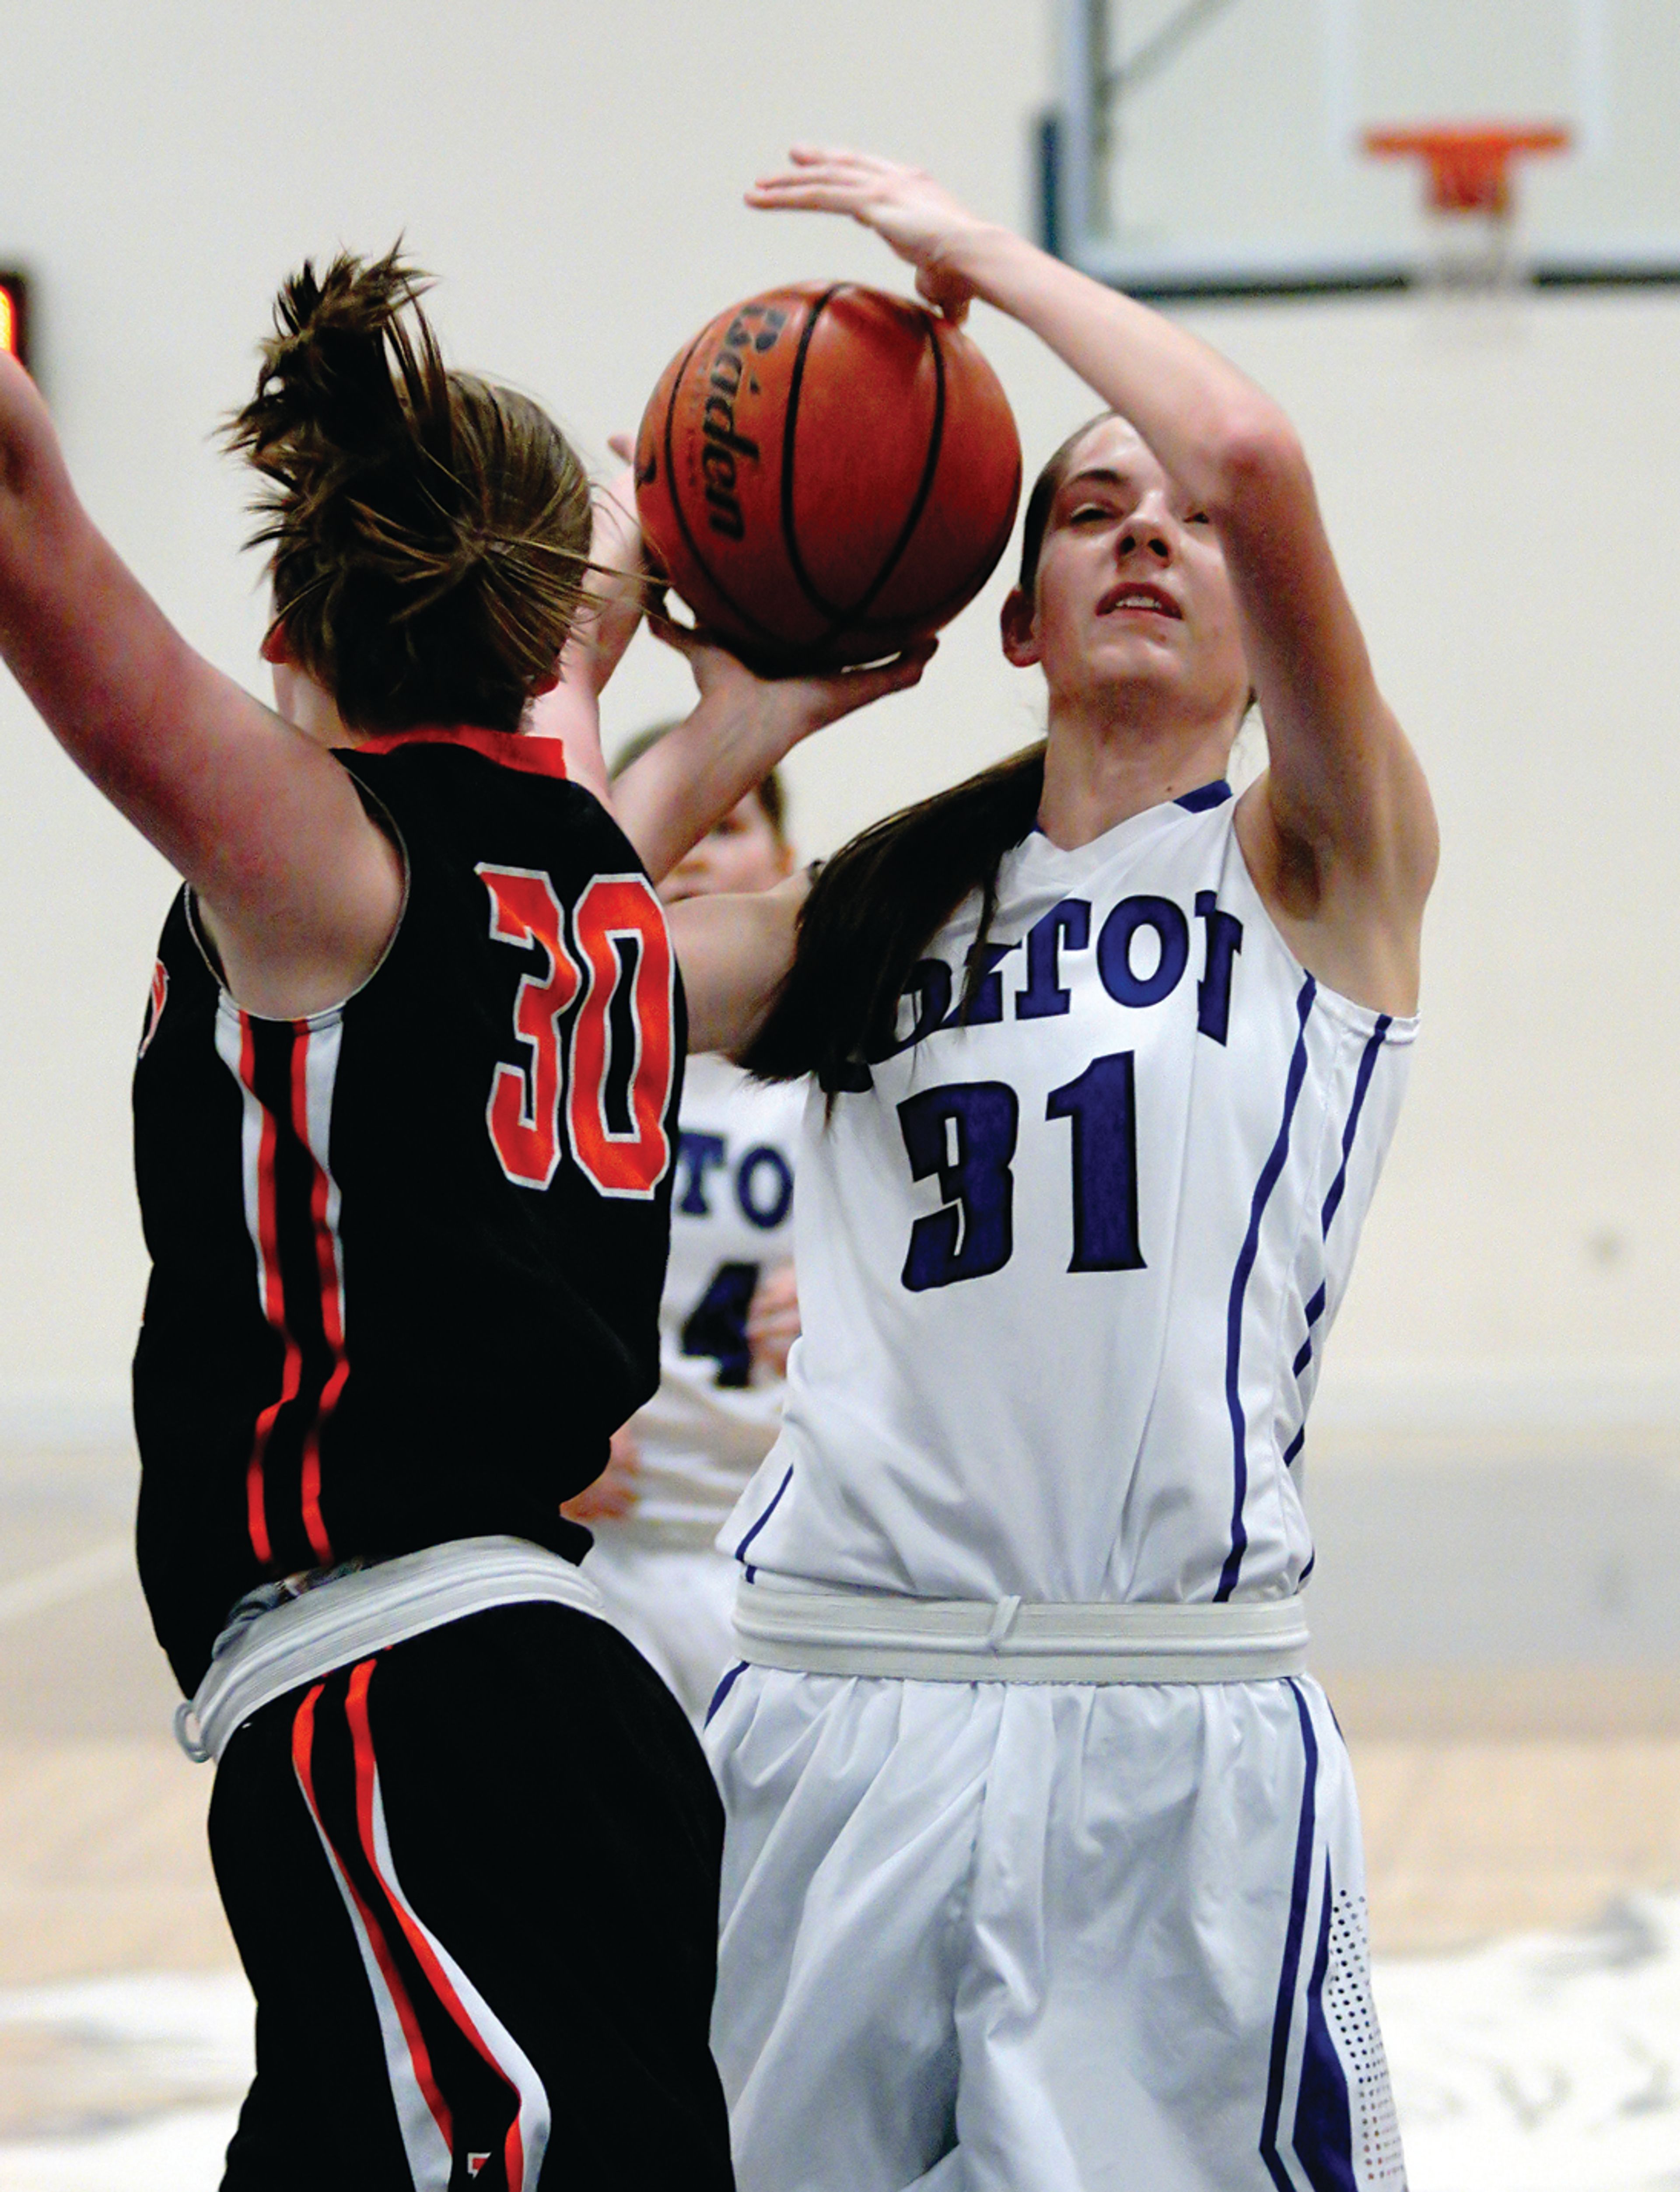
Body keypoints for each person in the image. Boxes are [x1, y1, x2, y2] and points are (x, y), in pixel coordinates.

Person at [0, 245, 926, 2189]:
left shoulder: (315, 865)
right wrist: (747, 703)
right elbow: (586, 778)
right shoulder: (574, 869)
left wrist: (707, 693)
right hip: (527, 1699)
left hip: (412, 1708)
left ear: (282, 621)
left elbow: (34, 541)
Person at [655, 150, 1437, 2192]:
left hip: (1164, 1736)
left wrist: (979, 265)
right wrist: (737, 720)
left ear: (1266, 633)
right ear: (1008, 623)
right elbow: (528, 971)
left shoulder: (1316, 873)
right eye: (1091, 515)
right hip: (835, 1695)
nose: (1148, 536)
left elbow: (1248, 452)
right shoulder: (868, 911)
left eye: (1172, 522)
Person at [564, 738, 804, 1722]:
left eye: (732, 825)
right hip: (599, 1549)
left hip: (786, 1549)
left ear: (788, 862)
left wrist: (864, 1300)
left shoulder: (842, 1078)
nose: (696, 856)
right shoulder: (557, 1078)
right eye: (678, 830)